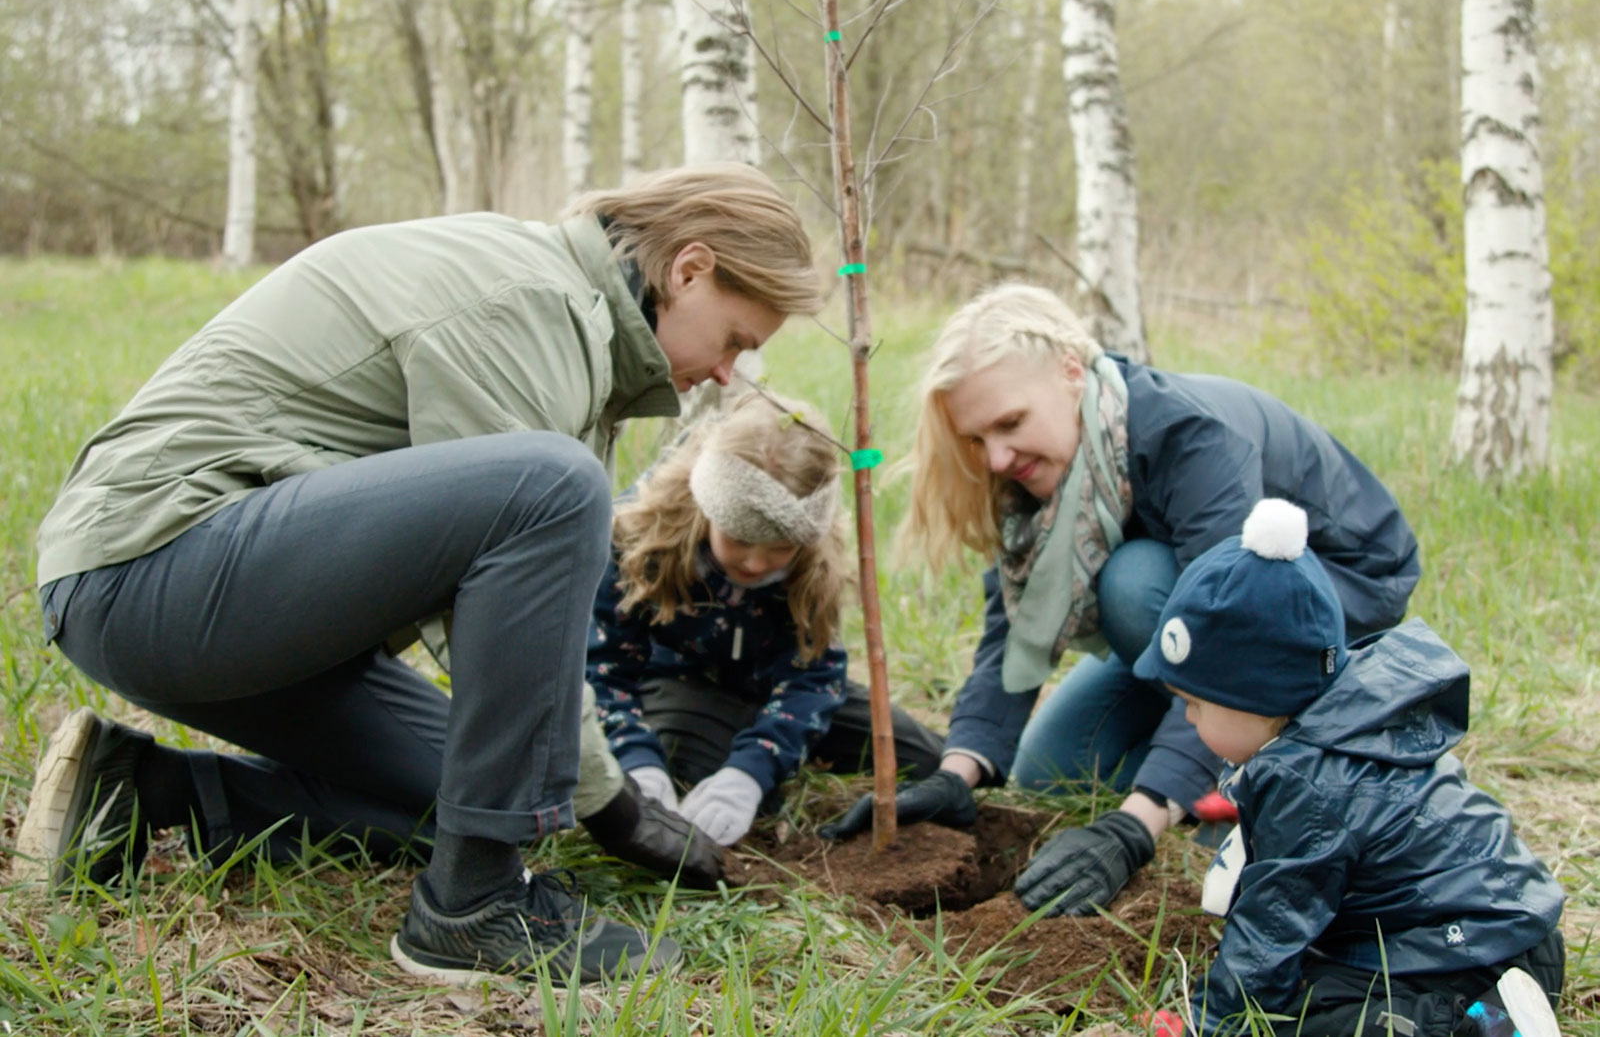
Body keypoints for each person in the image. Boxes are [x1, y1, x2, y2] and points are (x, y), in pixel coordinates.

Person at [17, 162, 821, 987]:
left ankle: (144, 793)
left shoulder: (580, 333)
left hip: (232, 612)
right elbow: (503, 597)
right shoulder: (529, 303)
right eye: (735, 341)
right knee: (554, 492)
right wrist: (612, 808)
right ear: (689, 270)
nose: (728, 375)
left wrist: (575, 790)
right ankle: (472, 908)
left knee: (479, 796)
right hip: (149, 573)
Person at [825, 282, 1421, 918]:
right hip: (1189, 615)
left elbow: (1233, 629)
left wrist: (1136, 823)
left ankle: (1269, 770)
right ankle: (1210, 761)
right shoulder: (1044, 467)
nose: (995, 457)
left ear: (1071, 372)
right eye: (977, 439)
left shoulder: (1188, 435)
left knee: (1133, 583)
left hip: (1333, 592)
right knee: (1054, 766)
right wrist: (959, 769)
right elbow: (1014, 625)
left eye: (1010, 423)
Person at [1125, 499, 1565, 1037]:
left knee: (1295, 1022)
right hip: (1503, 929)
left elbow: (1272, 929)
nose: (1187, 718)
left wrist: (1208, 1023)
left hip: (1472, 962)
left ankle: (1484, 1028)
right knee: (1310, 980)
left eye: (1195, 704)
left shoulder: (1309, 782)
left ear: (1258, 698)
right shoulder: (1344, 723)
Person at [589, 391, 944, 847]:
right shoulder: (638, 535)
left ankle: (757, 751)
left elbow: (814, 678)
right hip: (683, 684)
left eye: (780, 547)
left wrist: (749, 772)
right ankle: (720, 753)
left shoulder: (817, 561)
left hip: (776, 686)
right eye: (738, 538)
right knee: (682, 776)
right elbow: (603, 669)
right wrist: (635, 759)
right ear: (707, 507)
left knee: (925, 759)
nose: (756, 564)